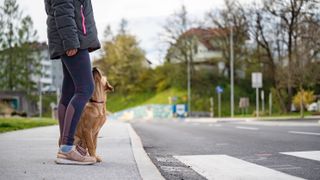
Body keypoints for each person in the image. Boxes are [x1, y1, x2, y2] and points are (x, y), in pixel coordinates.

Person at [44, 0, 101, 165]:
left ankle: (67, 145)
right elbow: (62, 9)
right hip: (72, 40)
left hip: (75, 38)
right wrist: (71, 41)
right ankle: (67, 148)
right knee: (86, 88)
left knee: (69, 92)